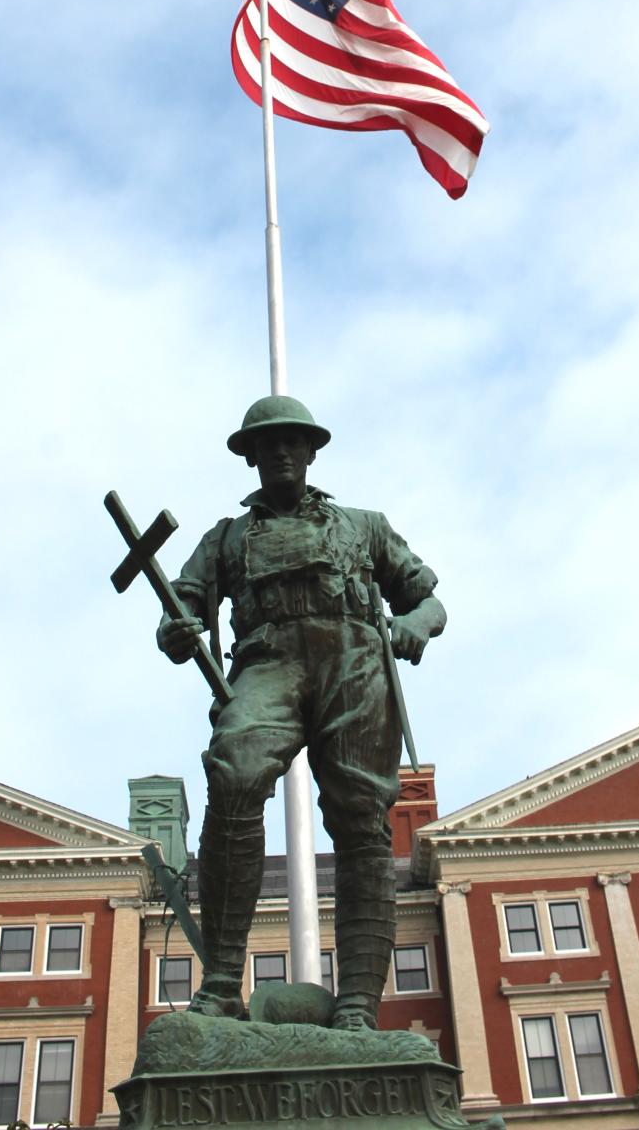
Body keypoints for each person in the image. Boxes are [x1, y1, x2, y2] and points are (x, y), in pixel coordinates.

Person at [157, 395, 446, 1030]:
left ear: (312, 452)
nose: (282, 452)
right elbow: (180, 606)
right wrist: (176, 630)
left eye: (294, 442)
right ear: (252, 457)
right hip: (268, 662)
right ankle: (224, 983)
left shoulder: (365, 526)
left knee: (362, 820)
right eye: (268, 444)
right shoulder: (226, 538)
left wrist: (412, 625)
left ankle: (358, 1007)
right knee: (233, 773)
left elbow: (430, 600)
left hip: (355, 663)